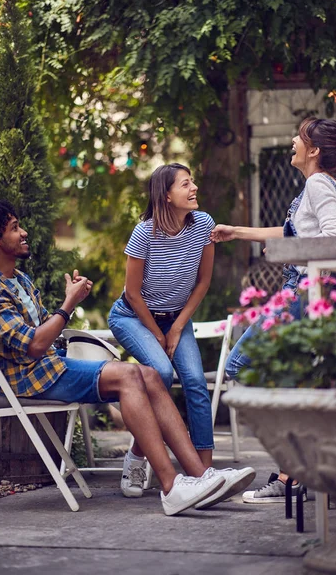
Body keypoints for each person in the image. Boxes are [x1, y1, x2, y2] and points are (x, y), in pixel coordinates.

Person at [0, 199, 255, 516]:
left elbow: (41, 335)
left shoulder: (19, 280)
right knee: (131, 376)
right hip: (29, 378)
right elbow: (34, 345)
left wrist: (68, 300)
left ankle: (202, 477)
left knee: (147, 374)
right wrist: (69, 305)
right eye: (14, 229)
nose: (23, 233)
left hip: (52, 367)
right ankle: (172, 486)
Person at [211, 117, 336, 503]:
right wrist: (238, 232)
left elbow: (332, 237)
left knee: (241, 365)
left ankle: (295, 469)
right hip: (300, 288)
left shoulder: (318, 184)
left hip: (303, 289)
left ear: (313, 151)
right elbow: (296, 233)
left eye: (298, 138)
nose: (292, 143)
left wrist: (292, 253)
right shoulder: (320, 185)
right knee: (295, 378)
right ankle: (294, 473)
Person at [108, 163, 255, 504]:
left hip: (177, 318)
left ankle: (205, 477)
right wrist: (157, 334)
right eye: (185, 184)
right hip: (134, 316)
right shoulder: (143, 233)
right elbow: (132, 293)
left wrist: (175, 327)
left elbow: (202, 282)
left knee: (193, 382)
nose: (194, 188)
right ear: (166, 195)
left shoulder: (203, 224)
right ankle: (136, 457)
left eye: (192, 182)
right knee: (158, 372)